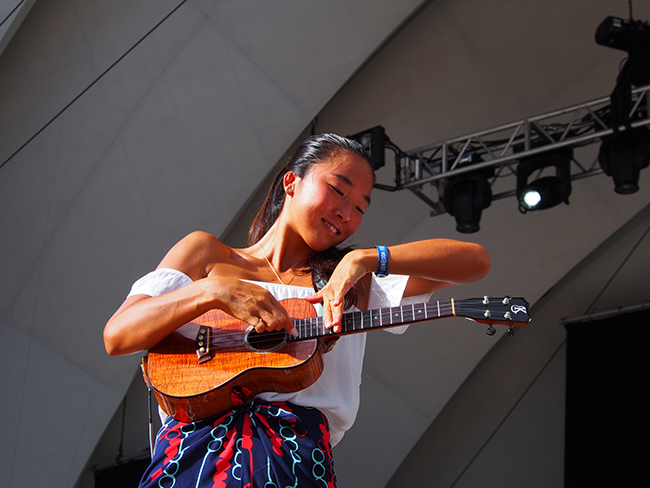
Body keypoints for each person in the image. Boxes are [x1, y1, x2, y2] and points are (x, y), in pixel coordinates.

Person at [103, 133, 490, 488]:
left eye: (360, 207)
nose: (347, 213)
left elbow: (475, 262)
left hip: (295, 463)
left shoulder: (346, 281)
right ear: (291, 182)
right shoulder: (206, 254)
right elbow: (118, 335)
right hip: (194, 459)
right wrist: (211, 291)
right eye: (337, 190)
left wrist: (365, 259)